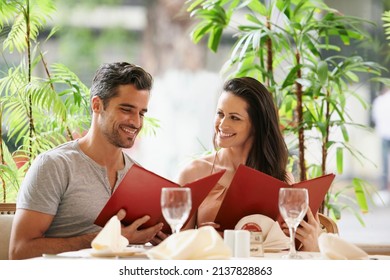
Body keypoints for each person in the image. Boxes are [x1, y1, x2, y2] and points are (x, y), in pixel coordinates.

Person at [9, 62, 166, 259]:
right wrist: (105, 239)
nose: (136, 122)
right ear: (97, 105)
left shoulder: (139, 176)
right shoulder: (54, 166)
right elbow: (19, 251)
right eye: (126, 110)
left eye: (141, 113)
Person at [177, 77, 322, 252]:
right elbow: (177, 248)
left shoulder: (280, 178)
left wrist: (312, 243)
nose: (222, 124)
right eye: (220, 114)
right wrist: (201, 239)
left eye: (235, 118)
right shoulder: (193, 173)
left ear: (256, 125)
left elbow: (290, 252)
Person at [372, 89, 390, 195]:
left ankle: (384, 189)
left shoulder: (379, 101)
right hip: (384, 133)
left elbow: (375, 117)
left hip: (383, 133)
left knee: (384, 163)